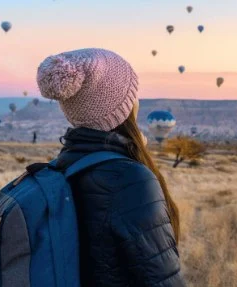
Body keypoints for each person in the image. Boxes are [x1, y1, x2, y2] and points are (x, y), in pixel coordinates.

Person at [37, 48, 184, 286]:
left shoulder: (63, 167)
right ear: (124, 107)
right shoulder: (130, 179)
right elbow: (164, 279)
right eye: (133, 93)